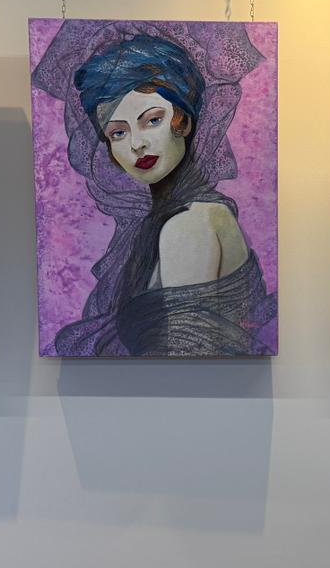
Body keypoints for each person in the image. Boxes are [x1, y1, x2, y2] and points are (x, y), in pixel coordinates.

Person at [52, 35, 275, 356]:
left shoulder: (190, 223)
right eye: (118, 132)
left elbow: (188, 358)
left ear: (183, 121)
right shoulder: (172, 219)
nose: (136, 144)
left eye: (152, 120)